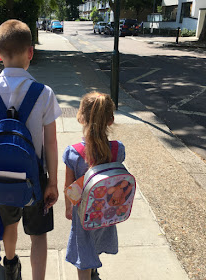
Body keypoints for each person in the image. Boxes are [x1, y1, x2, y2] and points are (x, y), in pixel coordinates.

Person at [0, 19, 62, 280]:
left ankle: (10, 265)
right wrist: (52, 182)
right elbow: (51, 143)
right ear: (30, 52)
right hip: (35, 177)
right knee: (39, 234)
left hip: (1, 175)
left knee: (9, 223)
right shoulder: (44, 93)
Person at [62, 92, 125, 280]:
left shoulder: (74, 153)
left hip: (83, 212)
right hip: (108, 209)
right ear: (111, 120)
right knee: (96, 241)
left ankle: (87, 272)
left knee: (83, 252)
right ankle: (94, 269)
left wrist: (68, 208)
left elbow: (69, 187)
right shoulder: (118, 149)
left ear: (81, 117)